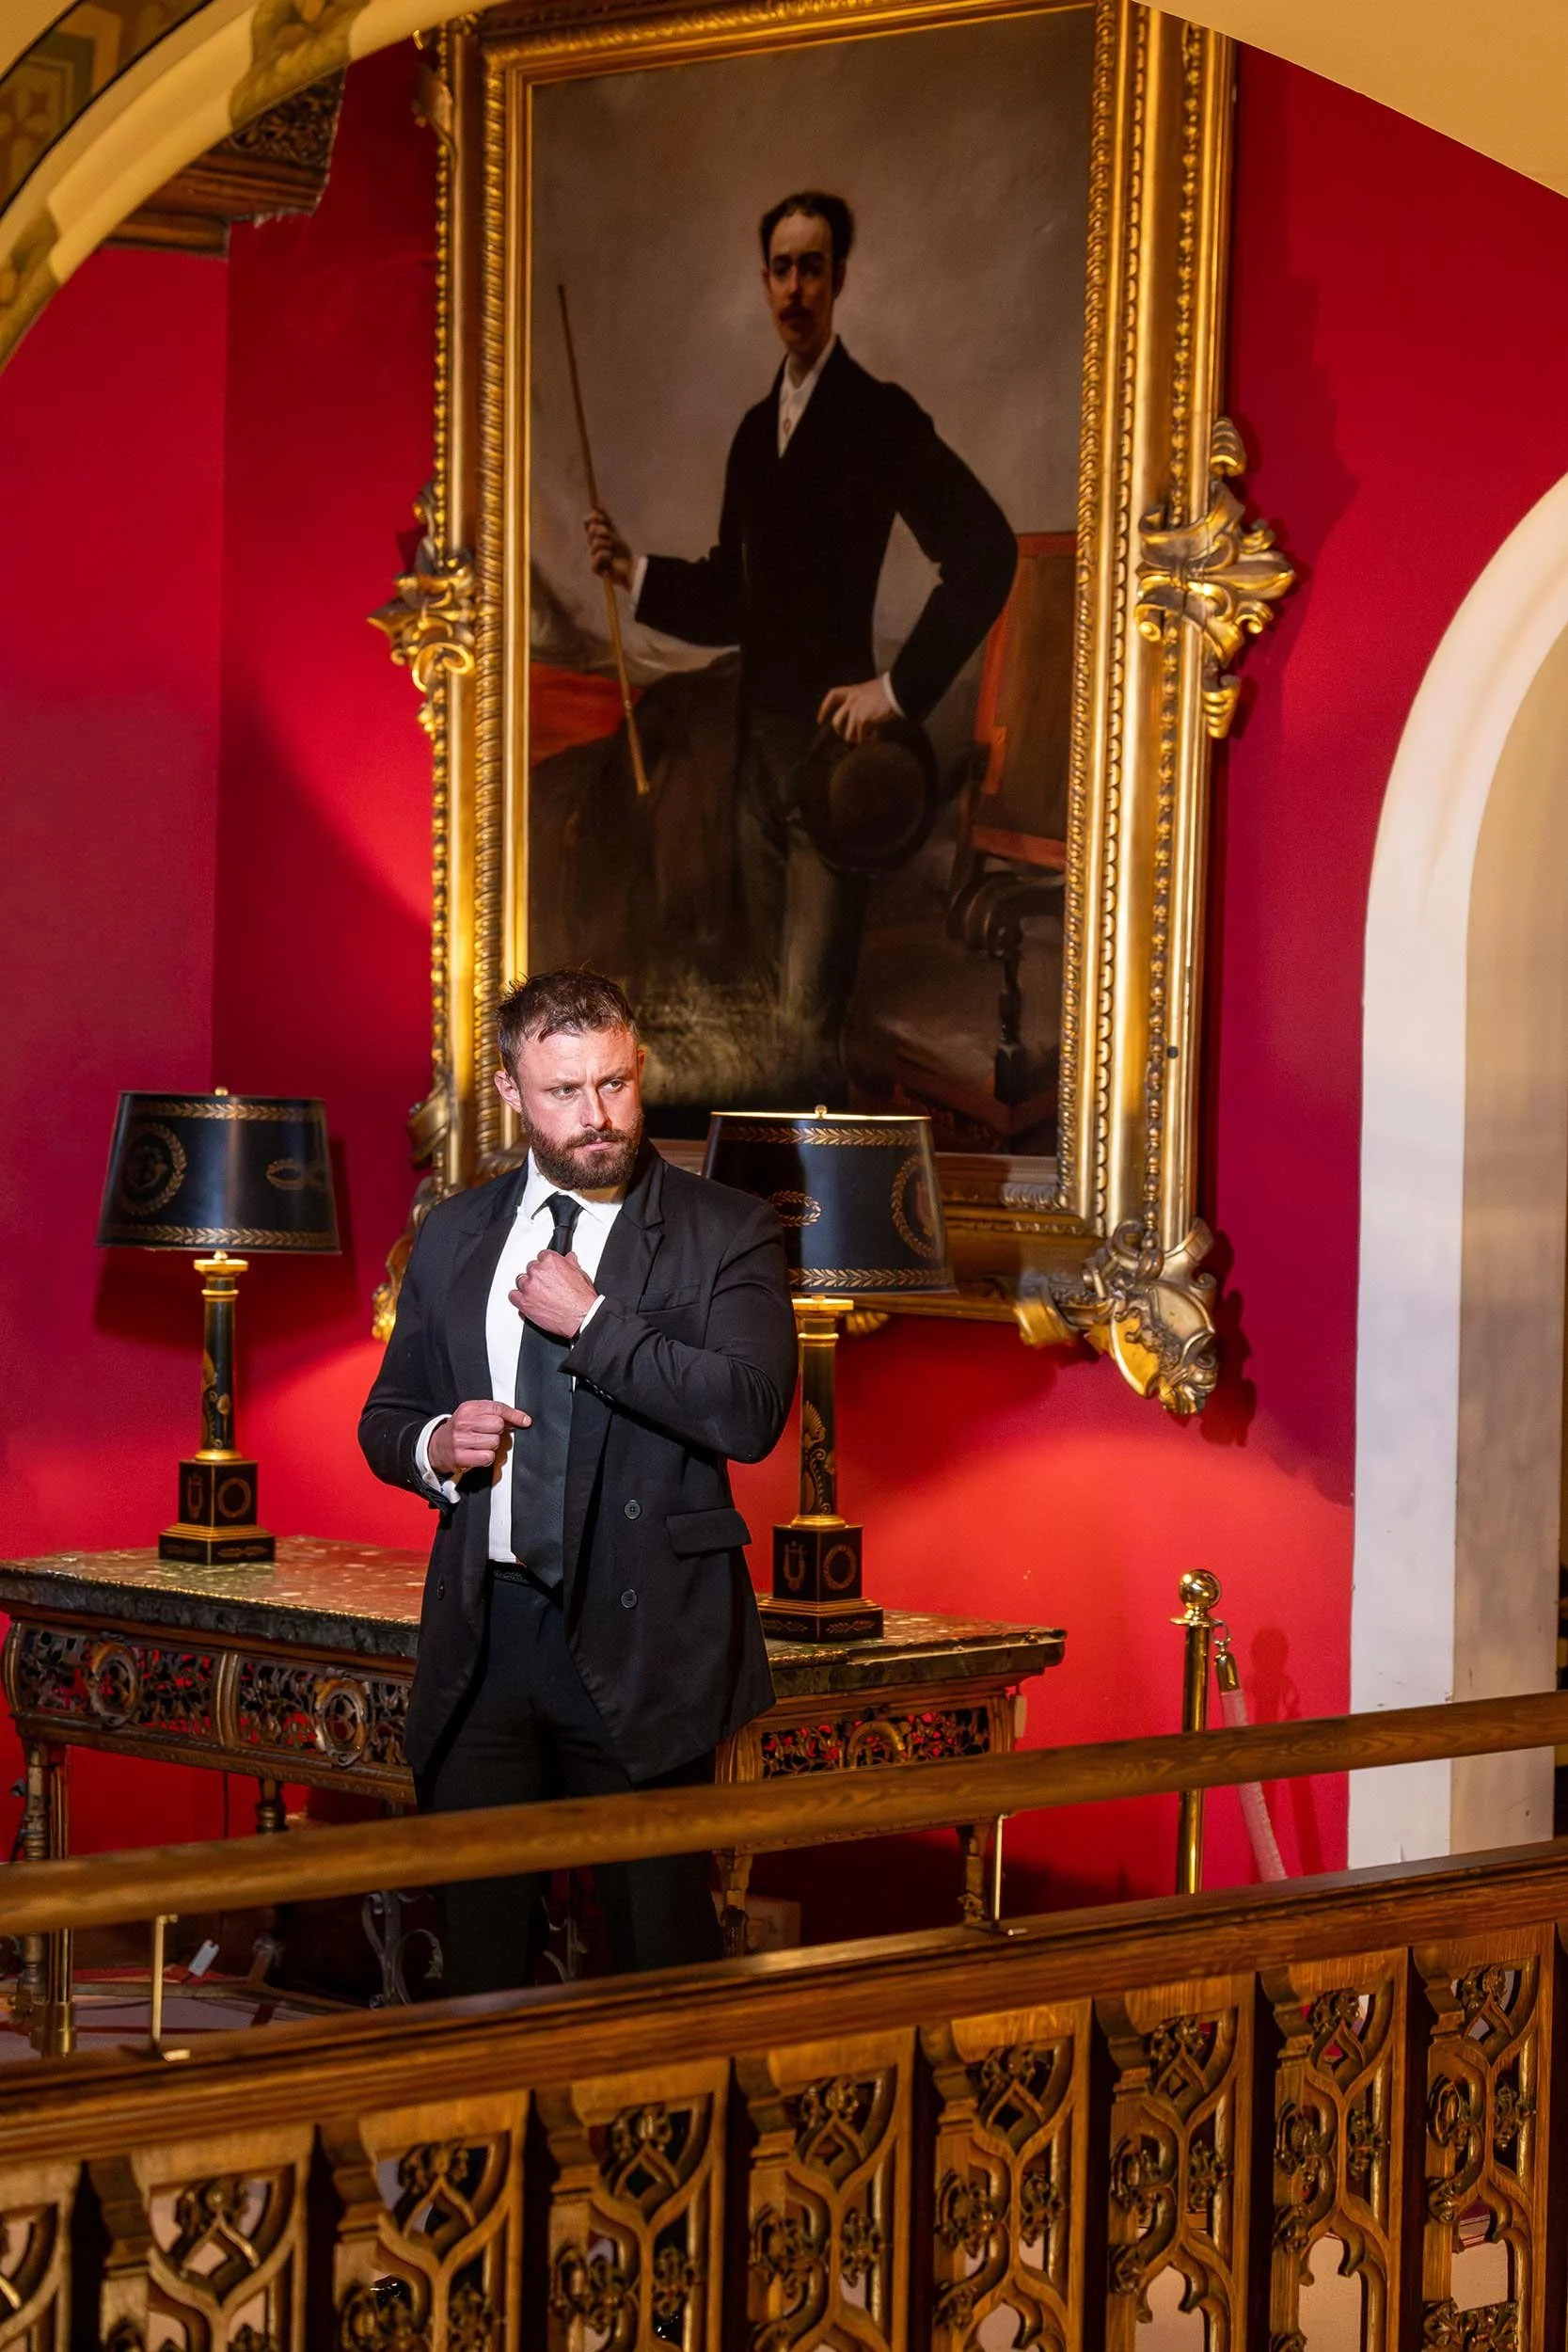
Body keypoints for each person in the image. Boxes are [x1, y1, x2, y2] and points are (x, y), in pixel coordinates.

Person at [358, 968, 797, 1993]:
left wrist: (593, 1324)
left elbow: (748, 1411)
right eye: (564, 1091)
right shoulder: (456, 1232)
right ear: (511, 1091)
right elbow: (385, 1417)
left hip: (646, 1638)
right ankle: (484, 2158)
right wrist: (435, 1442)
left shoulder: (723, 1227)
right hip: (487, 1638)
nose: (596, 1116)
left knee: (657, 1965)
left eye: (614, 1083)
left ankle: (665, 2149)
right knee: (479, 1966)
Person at [586, 189, 1017, 1089]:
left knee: (804, 1024)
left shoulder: (879, 416)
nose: (794, 288)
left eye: (811, 267)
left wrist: (895, 692)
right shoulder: (754, 433)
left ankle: (817, 1218)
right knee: (757, 1010)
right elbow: (738, 598)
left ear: (839, 280)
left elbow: (984, 553)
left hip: (836, 763)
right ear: (763, 282)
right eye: (780, 269)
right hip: (752, 764)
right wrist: (635, 573)